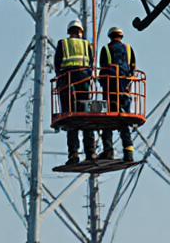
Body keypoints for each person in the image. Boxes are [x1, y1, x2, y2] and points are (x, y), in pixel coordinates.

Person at [54, 19, 96, 166]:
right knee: (86, 115)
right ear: (81, 31)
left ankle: (74, 154)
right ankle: (91, 152)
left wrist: (60, 80)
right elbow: (91, 62)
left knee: (70, 116)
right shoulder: (86, 45)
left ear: (69, 31)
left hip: (67, 81)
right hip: (83, 80)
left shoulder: (63, 44)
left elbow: (58, 64)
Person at [98, 26, 136, 163]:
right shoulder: (128, 49)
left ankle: (108, 150)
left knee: (108, 119)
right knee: (123, 120)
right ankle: (128, 153)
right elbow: (132, 68)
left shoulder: (106, 49)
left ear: (110, 36)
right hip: (124, 89)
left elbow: (102, 69)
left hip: (110, 89)